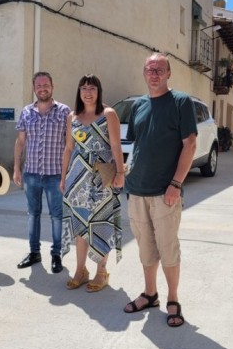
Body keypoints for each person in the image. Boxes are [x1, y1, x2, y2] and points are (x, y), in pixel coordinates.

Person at [122, 53, 197, 327]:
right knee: (145, 247)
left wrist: (176, 183)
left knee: (168, 248)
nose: (154, 74)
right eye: (149, 70)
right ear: (144, 73)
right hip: (136, 189)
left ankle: (173, 299)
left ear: (168, 74)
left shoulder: (180, 102)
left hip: (166, 192)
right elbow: (136, 146)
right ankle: (150, 293)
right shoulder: (138, 106)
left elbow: (190, 144)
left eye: (159, 70)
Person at [60, 74, 125, 292]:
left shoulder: (108, 114)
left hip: (102, 177)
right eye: (84, 88)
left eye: (92, 88)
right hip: (77, 178)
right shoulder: (72, 116)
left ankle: (101, 272)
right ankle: (80, 270)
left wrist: (120, 173)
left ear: (99, 92)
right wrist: (63, 178)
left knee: (100, 223)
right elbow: (68, 148)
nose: (88, 92)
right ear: (79, 92)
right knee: (80, 224)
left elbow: (116, 146)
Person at [14, 72, 70, 273]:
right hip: (31, 174)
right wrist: (16, 168)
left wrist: (66, 174)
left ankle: (56, 255)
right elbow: (21, 142)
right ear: (34, 88)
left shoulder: (64, 112)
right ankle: (34, 253)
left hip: (55, 174)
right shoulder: (26, 112)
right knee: (33, 214)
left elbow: (69, 145)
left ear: (52, 86)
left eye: (46, 84)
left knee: (57, 216)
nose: (42, 88)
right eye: (39, 85)